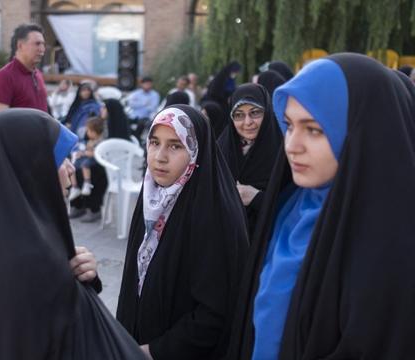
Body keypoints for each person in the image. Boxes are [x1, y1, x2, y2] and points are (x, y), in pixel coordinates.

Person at [228, 53, 415, 359]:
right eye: (288, 125)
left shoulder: (392, 243)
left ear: (361, 131)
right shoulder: (290, 208)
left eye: (313, 129)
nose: (292, 145)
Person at [0, 108, 145, 360]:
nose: (71, 168)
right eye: (62, 158)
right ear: (30, 167)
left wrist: (81, 275)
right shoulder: (29, 264)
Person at [116, 105, 249, 360]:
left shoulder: (214, 212)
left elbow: (215, 312)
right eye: (154, 143)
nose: (160, 157)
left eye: (175, 146)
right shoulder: (152, 198)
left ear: (196, 152)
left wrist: (154, 351)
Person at [217, 83, 282, 236]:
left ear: (267, 112)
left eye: (255, 113)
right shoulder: (221, 149)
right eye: (239, 115)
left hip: (270, 240)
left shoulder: (284, 150)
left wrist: (257, 198)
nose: (247, 122)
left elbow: (294, 208)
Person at [0, 23, 47, 113]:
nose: (42, 49)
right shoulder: (5, 76)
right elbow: (0, 120)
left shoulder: (37, 74)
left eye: (43, 44)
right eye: (37, 44)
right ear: (20, 45)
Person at [68, 116, 105, 201]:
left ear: (94, 132)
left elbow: (96, 153)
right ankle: (74, 187)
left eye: (88, 130)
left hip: (95, 159)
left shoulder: (100, 141)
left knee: (85, 164)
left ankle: (87, 182)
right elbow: (86, 151)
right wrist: (81, 153)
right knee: (73, 166)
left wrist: (85, 153)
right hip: (87, 157)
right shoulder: (90, 140)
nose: (87, 132)